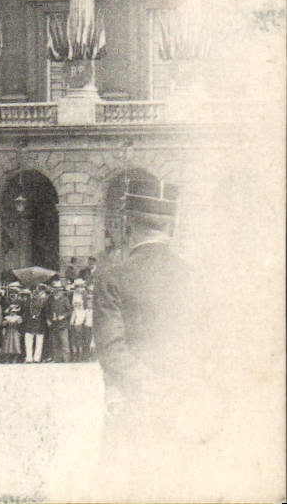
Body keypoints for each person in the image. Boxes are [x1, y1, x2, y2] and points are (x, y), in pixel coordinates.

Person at [92, 191, 196, 494]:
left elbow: (111, 350)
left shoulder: (112, 276)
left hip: (134, 400)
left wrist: (149, 383)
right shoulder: (193, 276)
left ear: (128, 227)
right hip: (183, 400)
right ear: (171, 228)